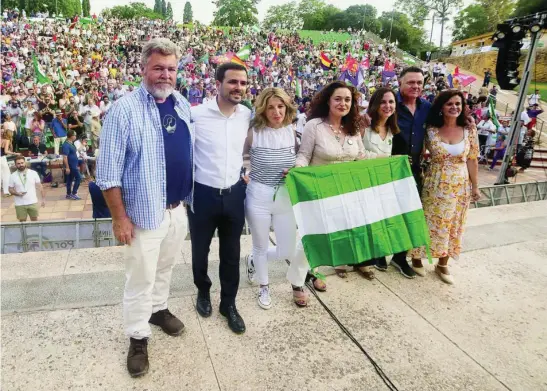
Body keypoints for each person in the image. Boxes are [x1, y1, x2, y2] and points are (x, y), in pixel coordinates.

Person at [96, 38, 193, 378]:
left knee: (165, 267)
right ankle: (138, 336)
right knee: (140, 277)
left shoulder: (181, 102)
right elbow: (106, 172)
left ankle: (158, 309)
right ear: (143, 69)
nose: (165, 74)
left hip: (177, 208)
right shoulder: (123, 109)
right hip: (142, 215)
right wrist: (119, 218)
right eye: (158, 68)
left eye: (171, 68)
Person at [288, 81, 368, 294]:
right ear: (328, 101)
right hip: (317, 192)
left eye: (348, 100)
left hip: (344, 194)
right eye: (338, 99)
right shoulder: (314, 126)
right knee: (311, 238)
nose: (343, 103)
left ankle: (314, 272)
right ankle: (297, 282)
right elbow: (304, 155)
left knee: (328, 238)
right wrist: (298, 172)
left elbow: (361, 157)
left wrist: (390, 161)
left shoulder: (353, 128)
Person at [188, 62, 250, 333]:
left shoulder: (247, 115)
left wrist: (249, 171)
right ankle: (203, 290)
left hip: (235, 193)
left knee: (231, 253)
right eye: (233, 82)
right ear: (218, 84)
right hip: (202, 194)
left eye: (243, 83)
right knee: (200, 251)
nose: (238, 87)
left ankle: (229, 303)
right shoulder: (196, 115)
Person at [409, 90, 480, 284]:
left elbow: (472, 159)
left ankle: (442, 263)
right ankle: (417, 257)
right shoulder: (430, 129)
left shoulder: (469, 129)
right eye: (449, 104)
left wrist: (475, 187)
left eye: (458, 104)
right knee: (428, 220)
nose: (454, 107)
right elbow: (419, 152)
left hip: (460, 185)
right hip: (434, 182)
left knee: (453, 224)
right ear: (441, 107)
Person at [242, 87, 298, 309]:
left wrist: (293, 171)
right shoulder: (254, 133)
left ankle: (254, 261)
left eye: (280, 106)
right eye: (271, 107)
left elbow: (298, 160)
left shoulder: (291, 131)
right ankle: (264, 287)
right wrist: (245, 174)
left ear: (287, 107)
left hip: (285, 196)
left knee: (287, 249)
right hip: (259, 195)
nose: (276, 112)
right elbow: (242, 157)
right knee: (260, 244)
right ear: (263, 110)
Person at [387, 67, 431, 278]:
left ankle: (399, 256)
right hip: (389, 169)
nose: (415, 86)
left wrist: (468, 123)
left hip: (413, 170)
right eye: (411, 82)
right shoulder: (389, 103)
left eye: (419, 83)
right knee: (385, 213)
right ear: (400, 83)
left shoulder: (427, 107)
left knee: (410, 213)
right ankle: (376, 255)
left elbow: (448, 121)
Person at [361, 87, 401, 278]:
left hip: (381, 182)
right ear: (376, 104)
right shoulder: (364, 125)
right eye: (383, 102)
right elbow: (358, 154)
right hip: (362, 180)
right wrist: (386, 159)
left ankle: (369, 258)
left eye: (391, 102)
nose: (388, 106)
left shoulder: (391, 129)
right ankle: (355, 261)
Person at [8, 155, 46, 222]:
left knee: (34, 220)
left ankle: (34, 232)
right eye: (18, 163)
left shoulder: (33, 173)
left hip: (32, 202)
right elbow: (10, 189)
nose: (21, 165)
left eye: (22, 163)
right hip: (20, 204)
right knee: (22, 222)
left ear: (25, 162)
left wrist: (43, 199)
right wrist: (17, 193)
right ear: (15, 165)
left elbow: (40, 186)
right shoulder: (12, 176)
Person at [62, 130, 81, 200]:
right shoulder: (66, 145)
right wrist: (67, 167)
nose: (75, 136)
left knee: (70, 179)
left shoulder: (71, 143)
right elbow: (65, 157)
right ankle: (74, 193)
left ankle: (68, 194)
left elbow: (73, 153)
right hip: (71, 165)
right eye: (75, 135)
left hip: (74, 164)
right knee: (79, 178)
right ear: (71, 136)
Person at [1, 129, 16, 197]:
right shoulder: (7, 140)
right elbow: (6, 151)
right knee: (6, 175)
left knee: (1, 175)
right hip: (2, 158)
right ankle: (6, 192)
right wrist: (14, 153)